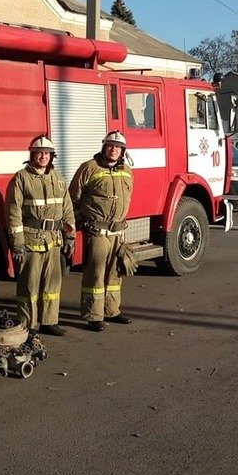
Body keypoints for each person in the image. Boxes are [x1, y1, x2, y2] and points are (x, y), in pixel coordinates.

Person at [5, 135, 75, 337]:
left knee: (52, 285)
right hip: (30, 241)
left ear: (52, 156)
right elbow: (13, 213)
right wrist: (17, 244)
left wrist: (70, 238)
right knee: (30, 286)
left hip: (53, 240)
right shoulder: (21, 178)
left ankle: (49, 321)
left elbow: (68, 209)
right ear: (32, 155)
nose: (43, 156)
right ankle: (28, 325)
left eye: (47, 153)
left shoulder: (58, 178)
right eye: (39, 153)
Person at [69, 130, 134, 332]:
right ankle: (93, 315)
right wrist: (82, 221)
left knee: (115, 273)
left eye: (118, 147)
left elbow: (128, 195)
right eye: (110, 146)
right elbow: (74, 197)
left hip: (118, 231)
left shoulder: (126, 170)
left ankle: (112, 310)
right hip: (97, 231)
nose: (113, 150)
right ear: (104, 147)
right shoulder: (89, 168)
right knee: (95, 274)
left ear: (123, 151)